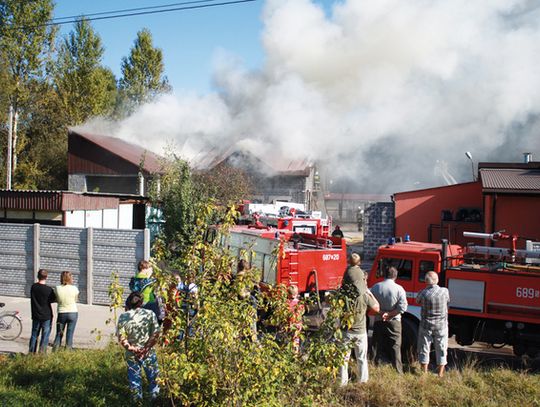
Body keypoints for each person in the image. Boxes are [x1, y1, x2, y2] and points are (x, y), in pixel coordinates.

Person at [339, 255, 380, 385]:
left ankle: (342, 382)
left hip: (345, 330)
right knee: (361, 358)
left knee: (343, 359)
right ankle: (362, 381)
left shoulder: (343, 295)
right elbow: (377, 308)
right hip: (360, 331)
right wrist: (370, 293)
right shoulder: (364, 296)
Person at [117, 291, 161, 401]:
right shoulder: (150, 314)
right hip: (148, 352)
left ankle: (137, 401)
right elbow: (156, 334)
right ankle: (155, 400)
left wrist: (132, 348)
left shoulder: (123, 316)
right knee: (154, 379)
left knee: (134, 380)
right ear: (141, 303)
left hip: (132, 354)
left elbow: (122, 338)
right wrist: (146, 348)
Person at [370, 266, 408, 373]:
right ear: (395, 276)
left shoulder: (376, 287)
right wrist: (390, 314)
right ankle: (398, 370)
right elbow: (402, 308)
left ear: (384, 275)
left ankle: (372, 367)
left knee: (376, 345)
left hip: (379, 319)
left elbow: (371, 304)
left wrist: (382, 313)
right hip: (394, 321)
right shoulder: (399, 289)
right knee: (395, 346)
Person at [416, 271, 450, 377]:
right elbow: (448, 301)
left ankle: (424, 373)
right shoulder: (444, 291)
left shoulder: (423, 293)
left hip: (426, 325)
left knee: (424, 348)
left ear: (426, 281)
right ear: (437, 280)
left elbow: (417, 301)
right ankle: (440, 373)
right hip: (441, 325)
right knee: (441, 348)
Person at [29, 269, 56, 353]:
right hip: (46, 315)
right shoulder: (49, 290)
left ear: (38, 276)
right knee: (45, 335)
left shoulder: (33, 287)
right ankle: (42, 353)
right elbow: (52, 299)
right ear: (46, 277)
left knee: (34, 335)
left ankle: (31, 353)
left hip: (36, 315)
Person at [53, 271, 79, 350]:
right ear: (70, 278)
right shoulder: (74, 288)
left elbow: (57, 299)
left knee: (59, 333)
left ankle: (55, 351)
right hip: (73, 312)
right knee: (70, 334)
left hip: (62, 312)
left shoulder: (57, 288)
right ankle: (68, 351)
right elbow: (76, 299)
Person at [286, 285, 305, 352]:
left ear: (288, 294)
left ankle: (290, 351)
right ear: (297, 294)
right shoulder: (299, 303)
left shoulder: (287, 303)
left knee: (289, 338)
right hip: (298, 324)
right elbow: (302, 312)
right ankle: (295, 352)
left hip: (289, 323)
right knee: (296, 339)